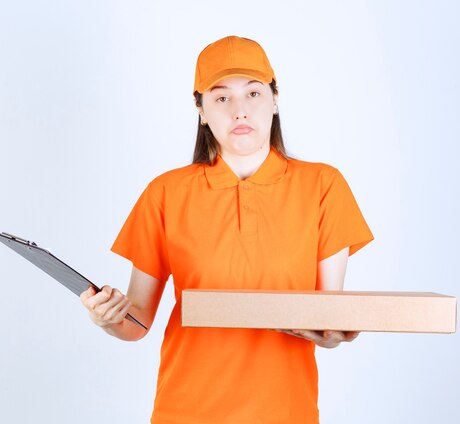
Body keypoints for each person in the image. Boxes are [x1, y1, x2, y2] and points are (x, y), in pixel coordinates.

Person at [80, 35, 374, 424]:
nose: (240, 111)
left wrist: (331, 332)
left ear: (275, 99)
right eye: (221, 98)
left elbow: (328, 316)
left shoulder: (323, 186)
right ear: (201, 109)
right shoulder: (165, 193)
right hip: (185, 410)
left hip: (286, 412)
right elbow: (136, 324)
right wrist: (109, 318)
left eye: (253, 93)